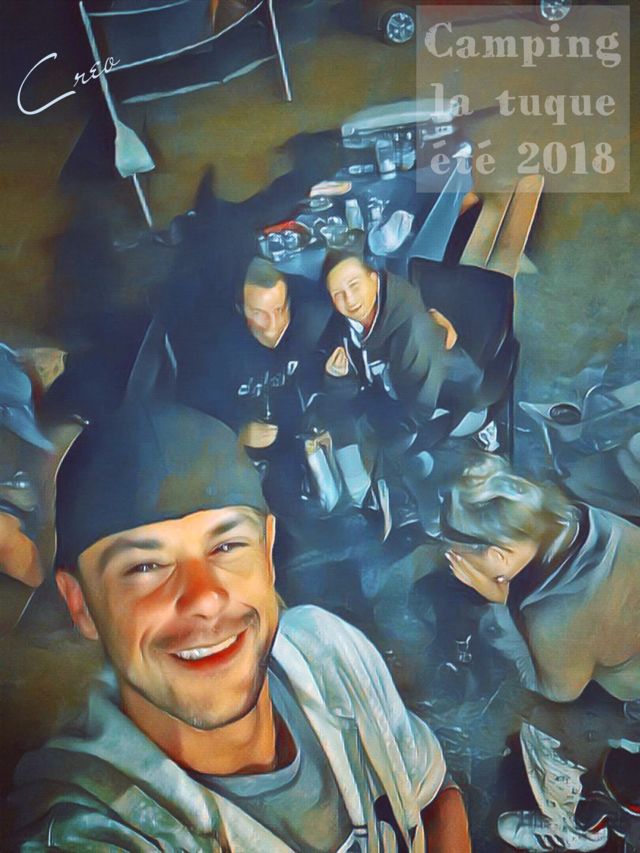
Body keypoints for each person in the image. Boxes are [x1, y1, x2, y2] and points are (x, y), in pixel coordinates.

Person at [8, 401, 470, 852]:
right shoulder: (86, 828)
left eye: (226, 546)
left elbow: (433, 794)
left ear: (267, 554)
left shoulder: (328, 649)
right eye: (145, 566)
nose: (204, 598)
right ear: (81, 604)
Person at [443, 453, 640, 852]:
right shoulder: (579, 518)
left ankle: (575, 827)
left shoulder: (554, 619)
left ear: (497, 556)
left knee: (532, 714)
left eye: (461, 558)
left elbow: (555, 690)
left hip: (629, 698)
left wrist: (499, 603)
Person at [319, 250, 483, 528]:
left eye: (354, 285)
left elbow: (420, 408)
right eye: (338, 294)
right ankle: (389, 496)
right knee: (354, 427)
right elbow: (350, 392)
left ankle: (426, 508)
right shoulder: (346, 325)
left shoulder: (410, 324)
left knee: (407, 456)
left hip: (455, 401)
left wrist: (386, 455)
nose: (349, 299)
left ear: (374, 279)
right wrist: (336, 378)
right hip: (401, 399)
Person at [178, 257, 332, 519]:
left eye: (279, 309)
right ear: (241, 309)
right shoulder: (217, 349)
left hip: (291, 450)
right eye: (259, 313)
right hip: (232, 462)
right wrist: (238, 432)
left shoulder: (307, 324)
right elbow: (193, 415)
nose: (272, 324)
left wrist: (319, 420)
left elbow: (321, 386)